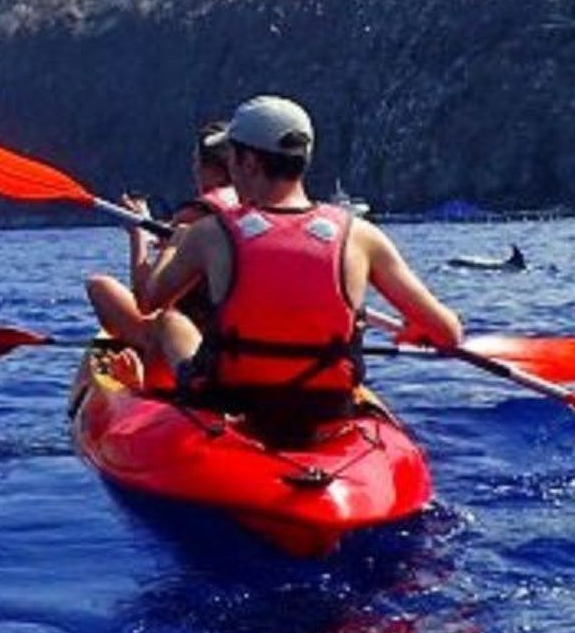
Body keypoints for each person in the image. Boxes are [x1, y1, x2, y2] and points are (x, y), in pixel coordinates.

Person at [99, 94, 463, 444]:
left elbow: (149, 301)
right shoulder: (362, 236)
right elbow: (449, 333)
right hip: (327, 408)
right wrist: (416, 328)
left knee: (170, 322)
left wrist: (175, 244)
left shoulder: (209, 234)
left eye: (232, 157)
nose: (230, 169)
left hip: (232, 402)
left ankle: (154, 392)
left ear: (249, 163)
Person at [84, 120, 234, 347]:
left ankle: (145, 346)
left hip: (192, 337)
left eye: (197, 162)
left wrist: (138, 235)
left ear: (213, 169)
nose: (194, 170)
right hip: (235, 330)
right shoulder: (256, 207)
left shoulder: (193, 214)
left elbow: (147, 299)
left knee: (99, 286)